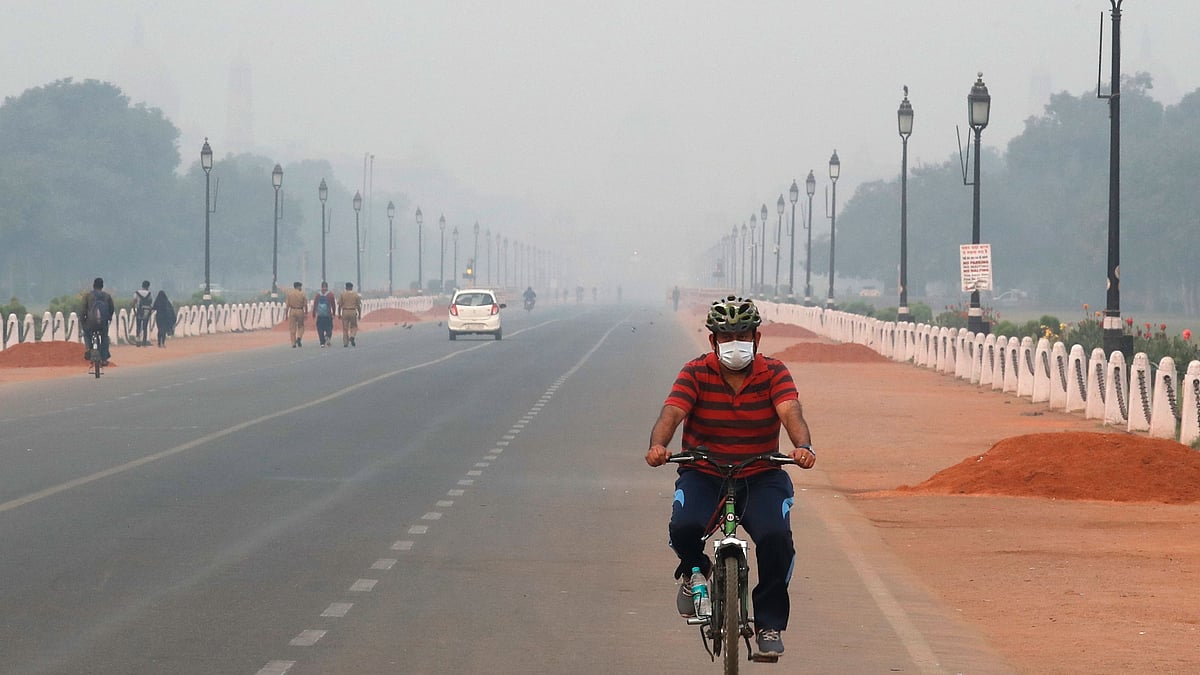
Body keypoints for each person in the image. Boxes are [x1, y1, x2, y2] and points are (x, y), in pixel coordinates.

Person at [644, 294, 816, 659]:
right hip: (704, 471)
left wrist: (803, 446)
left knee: (775, 538)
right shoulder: (695, 371)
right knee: (685, 525)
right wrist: (658, 446)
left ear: (756, 338)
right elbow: (672, 413)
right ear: (713, 341)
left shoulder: (774, 372)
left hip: (761, 472)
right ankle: (695, 571)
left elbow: (791, 411)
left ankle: (769, 624)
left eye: (743, 335)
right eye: (726, 337)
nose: (734, 344)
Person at [80, 277, 116, 365]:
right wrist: (109, 318)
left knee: (87, 333)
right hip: (103, 323)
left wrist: (83, 321)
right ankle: (104, 358)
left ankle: (88, 349)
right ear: (102, 286)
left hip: (91, 323)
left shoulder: (88, 296)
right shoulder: (107, 296)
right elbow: (111, 309)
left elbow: (83, 310)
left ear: (93, 286)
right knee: (104, 337)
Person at [311, 281, 336, 347]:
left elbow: (315, 305)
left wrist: (314, 313)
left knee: (320, 329)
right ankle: (327, 336)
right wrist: (333, 313)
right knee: (329, 328)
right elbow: (333, 305)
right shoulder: (330, 294)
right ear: (327, 287)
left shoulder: (318, 295)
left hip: (320, 316)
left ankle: (322, 343)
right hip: (328, 315)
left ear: (321, 286)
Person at [338, 281, 361, 347]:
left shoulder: (342, 294)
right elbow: (358, 306)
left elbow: (339, 305)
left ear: (346, 287)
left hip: (345, 311)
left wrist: (339, 314)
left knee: (345, 328)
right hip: (353, 311)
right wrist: (359, 314)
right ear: (352, 287)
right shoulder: (355, 295)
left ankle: (345, 343)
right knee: (354, 326)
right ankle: (352, 336)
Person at [285, 281, 307, 347]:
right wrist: (306, 313)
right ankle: (299, 337)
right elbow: (305, 305)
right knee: (301, 326)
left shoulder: (290, 294)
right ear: (298, 287)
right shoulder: (302, 294)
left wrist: (286, 315)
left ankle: (293, 343)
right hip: (300, 310)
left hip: (292, 311)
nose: (301, 288)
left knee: (292, 328)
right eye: (300, 287)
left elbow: (287, 306)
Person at [132, 280, 153, 346]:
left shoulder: (137, 293)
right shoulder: (150, 293)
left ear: (142, 285)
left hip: (139, 310)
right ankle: (144, 342)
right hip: (147, 311)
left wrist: (134, 311)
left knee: (138, 326)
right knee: (145, 327)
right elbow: (150, 303)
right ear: (148, 286)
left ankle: (138, 341)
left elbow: (134, 302)